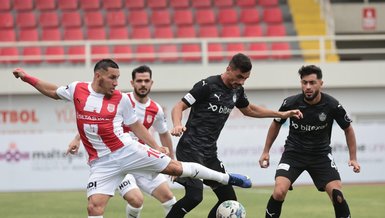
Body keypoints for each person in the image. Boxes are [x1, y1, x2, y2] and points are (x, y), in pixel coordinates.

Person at [12, 59, 252, 218]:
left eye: (118, 78)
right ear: (98, 76)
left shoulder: (122, 99)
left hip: (126, 150)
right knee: (94, 207)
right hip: (101, 162)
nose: (117, 83)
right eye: (113, 78)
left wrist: (157, 147)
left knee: (176, 168)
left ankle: (227, 178)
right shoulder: (78, 89)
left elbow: (136, 126)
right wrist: (27, 78)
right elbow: (52, 91)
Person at [167, 53, 303, 218]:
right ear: (228, 69)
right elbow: (178, 106)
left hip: (209, 154)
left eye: (245, 78)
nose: (241, 82)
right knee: (194, 197)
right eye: (239, 77)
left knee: (229, 199)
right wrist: (177, 124)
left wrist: (281, 114)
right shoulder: (207, 85)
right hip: (190, 149)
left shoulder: (237, 90)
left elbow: (250, 110)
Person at [66, 65, 176, 217]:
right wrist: (77, 138)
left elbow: (164, 134)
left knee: (169, 198)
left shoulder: (155, 109)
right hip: (119, 157)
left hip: (139, 157)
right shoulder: (121, 99)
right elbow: (95, 120)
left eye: (146, 81)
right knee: (136, 200)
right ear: (132, 83)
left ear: (152, 83)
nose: (143, 84)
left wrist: (171, 159)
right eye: (139, 81)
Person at [258, 65, 361, 218]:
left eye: (312, 83)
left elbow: (348, 129)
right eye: (304, 82)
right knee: (279, 191)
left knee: (338, 195)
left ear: (320, 83)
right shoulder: (290, 102)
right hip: (293, 154)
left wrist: (353, 158)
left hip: (320, 156)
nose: (307, 87)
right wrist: (266, 151)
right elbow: (276, 123)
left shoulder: (332, 105)